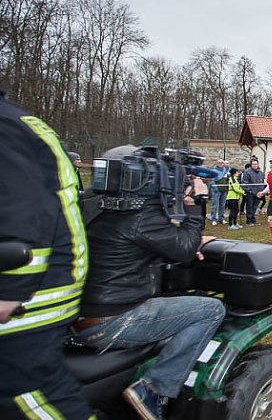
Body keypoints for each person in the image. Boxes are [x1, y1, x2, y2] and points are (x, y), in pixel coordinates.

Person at [72, 145, 225, 420]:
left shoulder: (94, 206)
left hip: (80, 315)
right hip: (113, 321)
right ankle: (154, 389)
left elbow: (134, 244)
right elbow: (185, 250)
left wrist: (179, 240)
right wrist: (195, 205)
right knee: (211, 309)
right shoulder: (142, 218)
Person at [0, 91, 93, 420]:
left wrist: (10, 289)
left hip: (34, 295)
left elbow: (26, 213)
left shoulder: (8, 127)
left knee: (28, 393)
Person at [240, 159, 265, 227]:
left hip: (258, 193)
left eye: (256, 164)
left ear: (258, 164)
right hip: (250, 193)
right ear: (251, 165)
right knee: (249, 207)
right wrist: (250, 191)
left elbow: (262, 182)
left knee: (255, 207)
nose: (255, 165)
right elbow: (244, 183)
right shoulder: (247, 172)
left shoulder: (261, 173)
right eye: (253, 164)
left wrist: (262, 191)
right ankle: (249, 221)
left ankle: (253, 220)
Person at [209, 158, 229, 226]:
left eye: (222, 163)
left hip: (224, 190)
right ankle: (213, 219)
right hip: (216, 191)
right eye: (219, 163)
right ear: (217, 163)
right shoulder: (214, 171)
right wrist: (216, 188)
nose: (221, 164)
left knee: (222, 205)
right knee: (214, 205)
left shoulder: (225, 170)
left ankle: (221, 218)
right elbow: (212, 181)